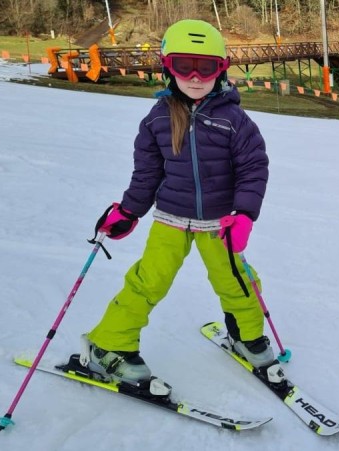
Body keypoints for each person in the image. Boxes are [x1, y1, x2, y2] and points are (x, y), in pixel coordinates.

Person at [79, 19, 279, 388]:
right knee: (148, 282)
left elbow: (253, 168)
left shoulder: (234, 120)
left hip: (219, 223)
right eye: (184, 65)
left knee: (236, 280)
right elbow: (147, 174)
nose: (196, 77)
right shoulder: (157, 119)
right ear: (168, 67)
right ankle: (108, 345)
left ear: (222, 68)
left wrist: (244, 215)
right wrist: (128, 211)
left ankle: (247, 335)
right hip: (170, 219)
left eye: (207, 67)